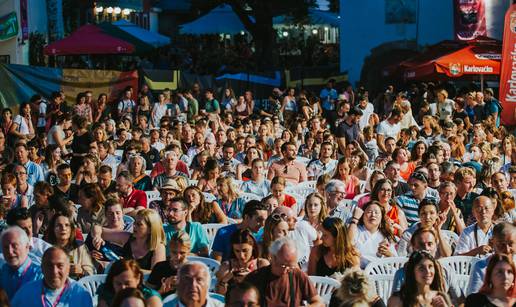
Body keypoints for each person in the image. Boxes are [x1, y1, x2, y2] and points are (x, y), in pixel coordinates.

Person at [244, 237, 324, 307]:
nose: (286, 270)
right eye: (283, 265)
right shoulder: (255, 278)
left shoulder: (298, 276)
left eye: (291, 266)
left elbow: (319, 303)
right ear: (273, 258)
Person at [392, 227, 462, 304]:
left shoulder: (446, 270)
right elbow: (395, 302)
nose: (426, 248)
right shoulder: (402, 273)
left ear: (436, 245)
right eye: (421, 244)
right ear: (413, 246)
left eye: (430, 244)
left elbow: (461, 301)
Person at [11, 246, 93, 307]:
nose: (54, 271)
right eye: (49, 266)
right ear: (42, 268)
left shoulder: (80, 294)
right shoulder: (26, 293)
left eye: (60, 266)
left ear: (68, 268)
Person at [92, 209, 166, 271]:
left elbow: (155, 274)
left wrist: (128, 266)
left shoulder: (158, 247)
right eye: (134, 223)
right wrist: (97, 236)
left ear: (150, 229)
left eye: (139, 224)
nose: (134, 226)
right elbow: (97, 228)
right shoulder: (127, 237)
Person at [467, 222, 516, 295]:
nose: (507, 249)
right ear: (492, 242)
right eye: (501, 244)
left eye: (510, 244)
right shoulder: (482, 267)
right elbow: (474, 298)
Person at [215, 229, 269, 295]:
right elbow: (218, 295)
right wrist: (226, 279)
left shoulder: (262, 265)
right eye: (237, 251)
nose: (241, 255)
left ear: (253, 248)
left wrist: (252, 278)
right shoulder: (226, 267)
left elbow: (268, 292)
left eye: (245, 250)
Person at [348, 201, 398, 268]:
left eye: (376, 212)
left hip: (379, 273)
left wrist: (389, 254)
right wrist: (355, 219)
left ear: (381, 218)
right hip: (358, 271)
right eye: (369, 212)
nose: (373, 215)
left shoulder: (386, 235)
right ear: (362, 215)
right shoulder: (355, 229)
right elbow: (348, 243)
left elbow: (397, 263)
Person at [46, 213, 95, 278]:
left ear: (71, 229)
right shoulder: (46, 247)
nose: (63, 228)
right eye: (59, 225)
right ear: (53, 229)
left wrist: (81, 271)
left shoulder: (80, 247)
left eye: (67, 225)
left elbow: (91, 273)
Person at [0, 226, 42, 299]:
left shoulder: (40, 275)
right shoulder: (3, 272)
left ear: (27, 247)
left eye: (14, 246)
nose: (10, 251)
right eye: (6, 247)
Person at [97, 259, 161, 307]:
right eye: (118, 283)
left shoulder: (150, 296)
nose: (123, 287)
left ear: (138, 279)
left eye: (127, 283)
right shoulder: (105, 292)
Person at [147, 231, 191, 297]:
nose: (178, 257)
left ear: (188, 251)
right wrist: (162, 290)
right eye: (174, 252)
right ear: (170, 250)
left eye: (182, 253)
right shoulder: (160, 267)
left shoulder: (192, 271)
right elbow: (147, 297)